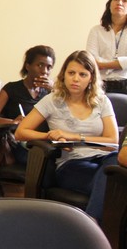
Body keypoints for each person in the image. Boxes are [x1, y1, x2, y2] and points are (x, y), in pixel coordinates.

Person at [15, 50, 118, 224]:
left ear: (91, 78)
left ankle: (90, 222)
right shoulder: (52, 100)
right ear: (63, 75)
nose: (76, 79)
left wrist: (74, 136)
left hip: (103, 160)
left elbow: (113, 140)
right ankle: (95, 226)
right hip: (72, 164)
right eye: (71, 73)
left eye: (82, 74)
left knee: (115, 163)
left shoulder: (102, 101)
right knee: (115, 185)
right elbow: (21, 132)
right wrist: (49, 135)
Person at [0, 45, 55, 164]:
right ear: (28, 66)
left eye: (49, 67)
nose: (45, 71)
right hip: (20, 144)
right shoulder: (11, 89)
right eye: (40, 65)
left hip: (45, 143)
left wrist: (54, 91)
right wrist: (13, 122)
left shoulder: (51, 93)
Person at [86, 0, 127, 93]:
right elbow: (91, 59)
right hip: (99, 84)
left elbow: (98, 63)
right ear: (109, 4)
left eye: (125, 0)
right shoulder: (96, 31)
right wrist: (120, 63)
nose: (119, 3)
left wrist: (102, 64)